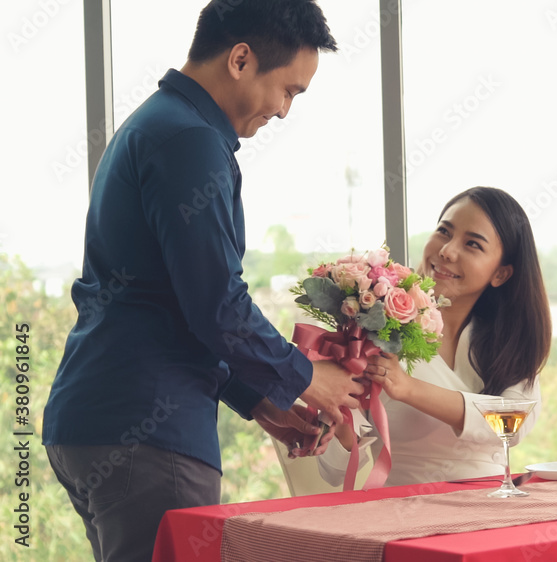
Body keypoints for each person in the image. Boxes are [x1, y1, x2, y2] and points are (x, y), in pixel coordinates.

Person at [42, 2, 364, 560]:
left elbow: (168, 302)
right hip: (147, 434)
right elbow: (217, 304)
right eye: (289, 90)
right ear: (241, 58)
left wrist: (261, 401)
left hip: (99, 415)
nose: (285, 112)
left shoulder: (158, 123)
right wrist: (305, 374)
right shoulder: (189, 140)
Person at [318, 186, 552, 487]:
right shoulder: (377, 332)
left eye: (472, 244)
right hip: (405, 512)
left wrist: (409, 388)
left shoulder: (507, 343)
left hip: (495, 511)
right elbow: (334, 471)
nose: (447, 250)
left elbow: (512, 424)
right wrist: (339, 417)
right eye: (444, 231)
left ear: (501, 274)